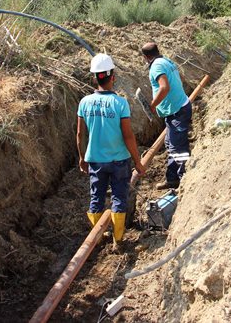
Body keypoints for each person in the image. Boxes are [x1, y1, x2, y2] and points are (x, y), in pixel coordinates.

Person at [76, 53, 145, 248]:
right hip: (119, 160)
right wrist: (138, 162)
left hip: (95, 160)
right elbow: (128, 136)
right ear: (112, 77)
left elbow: (80, 134)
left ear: (94, 77)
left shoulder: (84, 102)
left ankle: (98, 236)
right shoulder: (120, 103)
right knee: (118, 197)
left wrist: (82, 158)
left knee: (96, 197)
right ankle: (118, 239)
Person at [141, 42, 192, 190]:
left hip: (178, 111)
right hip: (176, 109)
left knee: (178, 148)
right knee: (171, 144)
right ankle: (172, 179)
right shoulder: (166, 61)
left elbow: (164, 86)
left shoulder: (156, 66)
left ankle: (185, 181)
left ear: (145, 57)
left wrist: (153, 104)